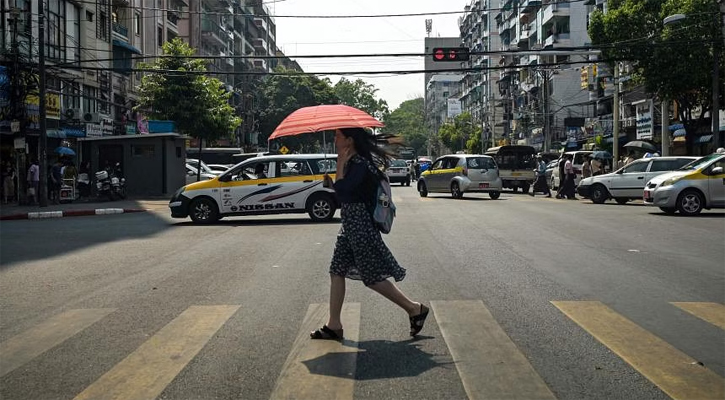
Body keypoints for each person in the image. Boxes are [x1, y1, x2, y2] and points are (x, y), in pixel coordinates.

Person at [312, 127, 429, 341]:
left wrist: (339, 168)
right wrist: (337, 176)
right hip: (349, 226)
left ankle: (414, 308)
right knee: (336, 270)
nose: (334, 139)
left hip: (361, 227)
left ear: (349, 140)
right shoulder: (354, 163)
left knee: (372, 277)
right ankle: (334, 325)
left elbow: (344, 193)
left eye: (337, 136)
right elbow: (343, 195)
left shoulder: (360, 165)